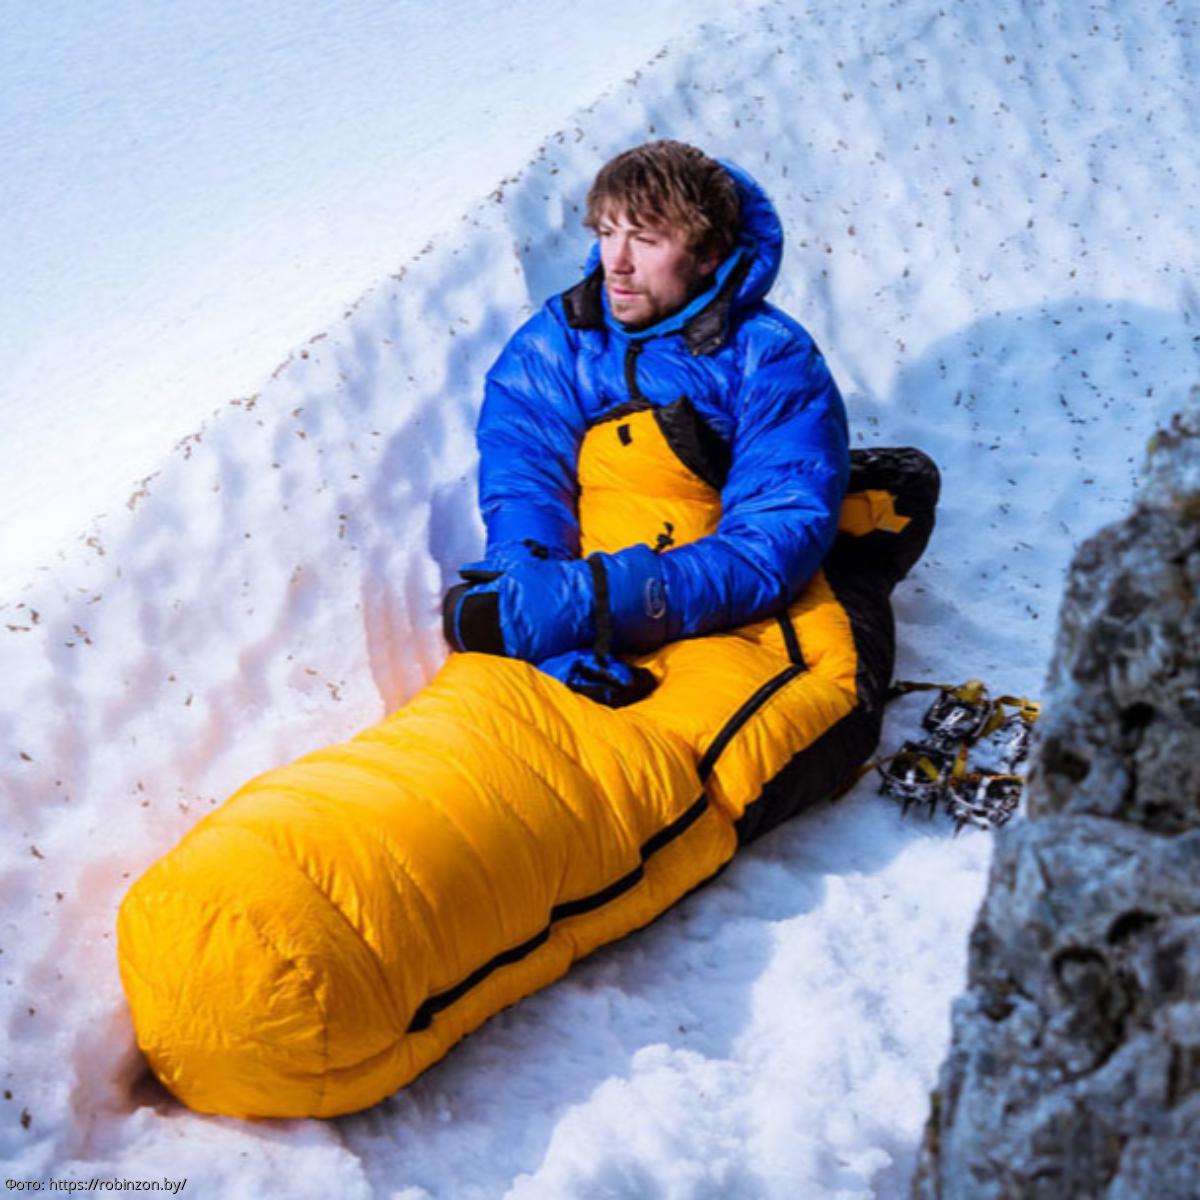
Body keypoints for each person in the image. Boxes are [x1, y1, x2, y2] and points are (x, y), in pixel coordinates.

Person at [445, 139, 849, 704]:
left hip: (711, 611)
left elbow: (770, 545)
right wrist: (529, 598)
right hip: (584, 611)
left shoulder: (770, 359)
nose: (617, 262)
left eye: (646, 239)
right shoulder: (560, 339)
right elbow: (525, 479)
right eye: (608, 233)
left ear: (708, 254)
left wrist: (594, 604)